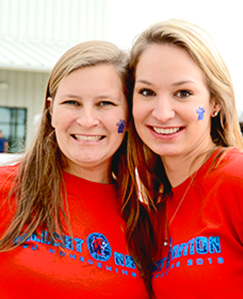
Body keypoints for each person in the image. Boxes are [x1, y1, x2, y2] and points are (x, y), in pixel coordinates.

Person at [0, 40, 152, 298]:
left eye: (105, 103)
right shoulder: (6, 189)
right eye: (72, 102)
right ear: (50, 112)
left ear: (128, 118)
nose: (87, 120)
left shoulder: (145, 220)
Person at [127, 19, 243, 298]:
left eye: (183, 93)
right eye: (147, 92)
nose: (163, 112)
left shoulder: (236, 178)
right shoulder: (154, 206)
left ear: (214, 102)